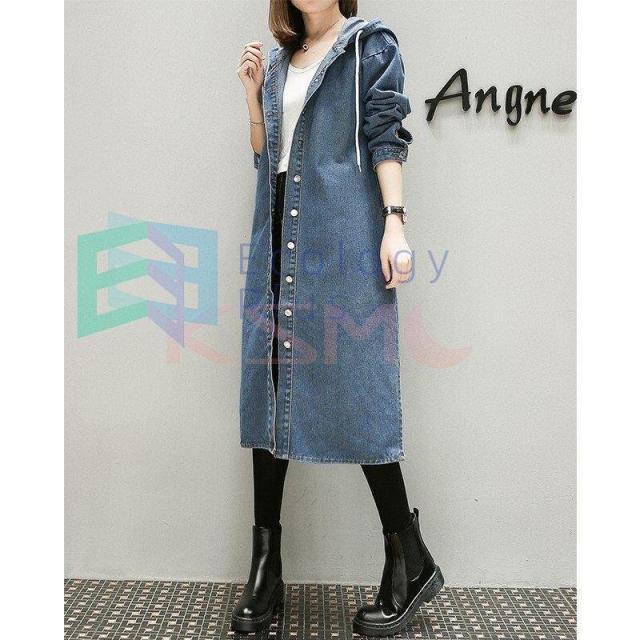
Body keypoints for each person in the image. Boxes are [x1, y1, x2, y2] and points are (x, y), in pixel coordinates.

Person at [234, 1, 443, 635]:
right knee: (270, 391)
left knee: (358, 389)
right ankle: (266, 568)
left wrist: (395, 224)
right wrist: (253, 99)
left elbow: (387, 135)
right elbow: (269, 158)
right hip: (276, 239)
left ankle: (407, 556)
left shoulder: (369, 46)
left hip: (339, 239)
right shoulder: (279, 62)